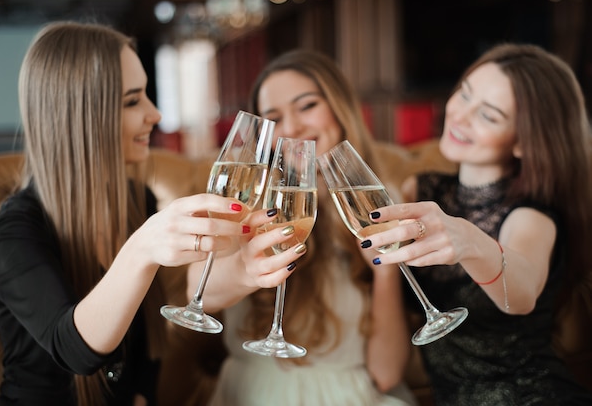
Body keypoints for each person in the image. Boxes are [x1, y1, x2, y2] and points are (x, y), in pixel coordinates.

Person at [0, 21, 251, 406]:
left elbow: (164, 317)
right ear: (78, 115)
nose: (155, 114)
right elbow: (75, 349)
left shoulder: (133, 197)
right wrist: (143, 246)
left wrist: (246, 267)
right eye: (132, 101)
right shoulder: (15, 229)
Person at [360, 43, 592, 405]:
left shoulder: (532, 215)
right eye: (464, 94)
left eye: (489, 115)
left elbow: (523, 291)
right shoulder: (422, 189)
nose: (460, 116)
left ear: (524, 142)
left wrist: (469, 240)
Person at [188, 49, 418, 405]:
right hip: (253, 393)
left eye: (307, 106)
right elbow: (197, 295)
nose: (293, 128)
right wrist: (249, 265)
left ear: (340, 109)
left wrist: (385, 269)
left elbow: (387, 375)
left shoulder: (380, 205)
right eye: (274, 117)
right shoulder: (245, 202)